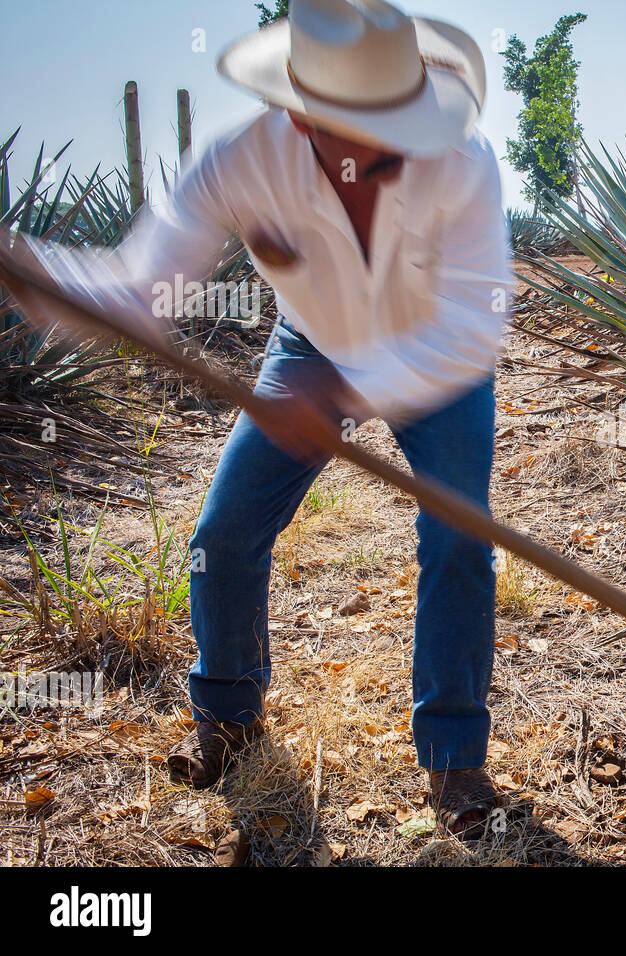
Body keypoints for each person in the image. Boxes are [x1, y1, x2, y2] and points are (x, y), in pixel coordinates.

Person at [6, 0, 512, 838]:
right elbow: (143, 289)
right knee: (224, 530)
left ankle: (455, 756)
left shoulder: (461, 161)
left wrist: (342, 398)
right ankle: (230, 718)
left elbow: (473, 323)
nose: (386, 148)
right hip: (309, 345)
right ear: (299, 110)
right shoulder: (239, 161)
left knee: (460, 536)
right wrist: (45, 279)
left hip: (436, 355)